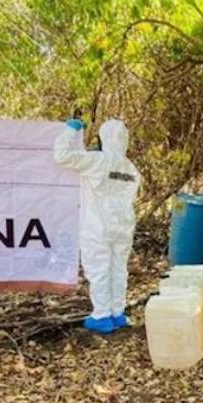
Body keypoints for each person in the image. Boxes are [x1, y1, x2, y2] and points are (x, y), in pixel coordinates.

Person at [53, 114, 141, 333]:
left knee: (99, 269)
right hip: (123, 227)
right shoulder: (131, 169)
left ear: (104, 138)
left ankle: (102, 316)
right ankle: (117, 313)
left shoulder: (96, 161)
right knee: (119, 269)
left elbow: (61, 156)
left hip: (97, 226)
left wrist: (70, 130)